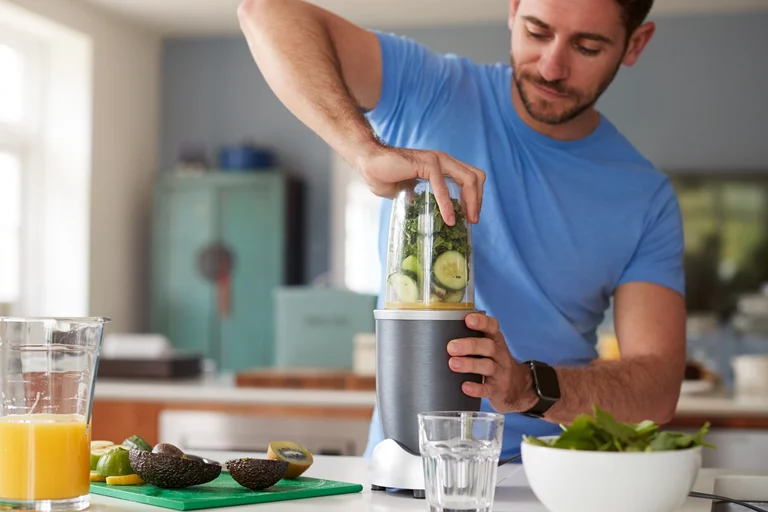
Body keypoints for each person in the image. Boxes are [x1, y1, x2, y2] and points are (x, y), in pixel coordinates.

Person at [237, 0, 687, 460]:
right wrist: (362, 150)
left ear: (635, 44)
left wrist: (528, 387)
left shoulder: (643, 197)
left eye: (587, 46)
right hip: (406, 469)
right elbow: (265, 12)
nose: (552, 67)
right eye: (537, 32)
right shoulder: (430, 88)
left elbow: (656, 388)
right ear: (513, 11)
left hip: (553, 478)